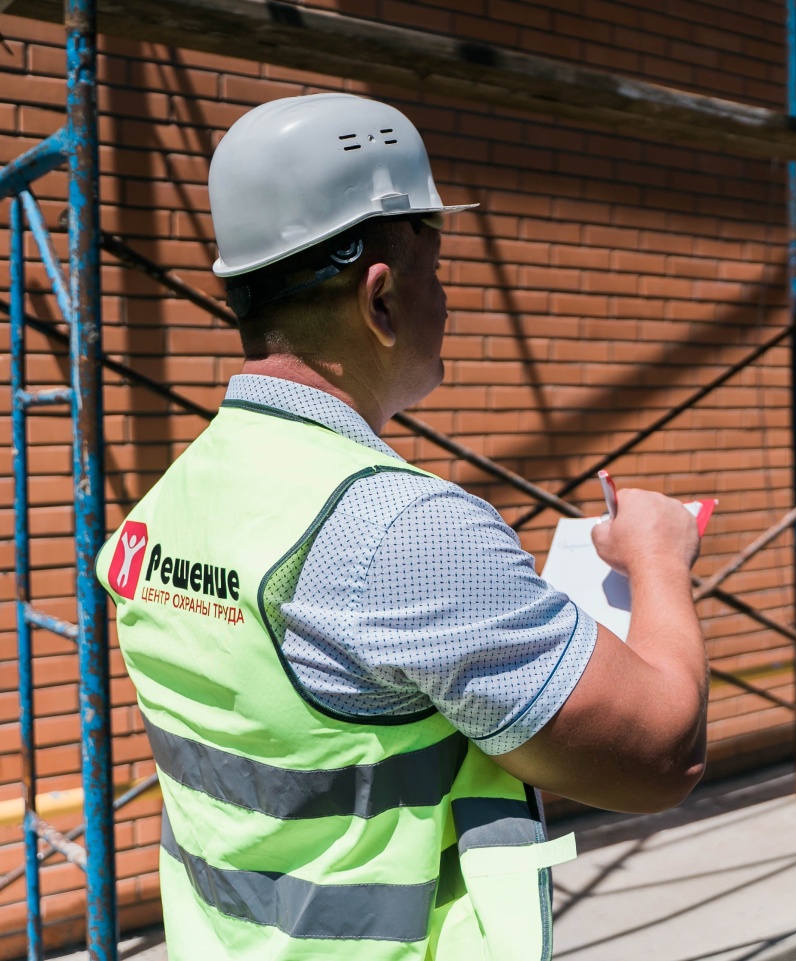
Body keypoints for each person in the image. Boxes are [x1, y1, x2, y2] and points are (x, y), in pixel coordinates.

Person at [96, 93, 709, 961]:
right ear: (380, 298)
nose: (448, 300)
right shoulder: (401, 527)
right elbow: (660, 756)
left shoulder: (170, 504)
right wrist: (658, 555)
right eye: (436, 267)